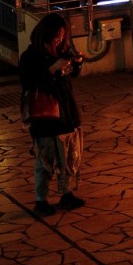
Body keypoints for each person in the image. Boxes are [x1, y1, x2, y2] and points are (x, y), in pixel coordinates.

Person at [18, 12, 86, 216]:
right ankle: (41, 199)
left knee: (69, 157)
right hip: (45, 117)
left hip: (66, 113)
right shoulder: (31, 57)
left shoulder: (62, 51)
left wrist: (76, 63)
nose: (60, 39)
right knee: (46, 159)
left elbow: (70, 76)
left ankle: (66, 194)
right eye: (57, 35)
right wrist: (51, 70)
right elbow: (30, 85)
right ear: (46, 33)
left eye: (62, 35)